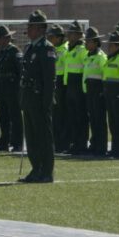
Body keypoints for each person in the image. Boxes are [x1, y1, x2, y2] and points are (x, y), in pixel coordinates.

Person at [20, 10, 57, 183]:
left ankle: (47, 171)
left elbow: (50, 79)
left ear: (41, 29)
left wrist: (46, 101)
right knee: (31, 136)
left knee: (43, 136)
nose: (28, 29)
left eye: (32, 26)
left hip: (40, 97)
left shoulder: (46, 48)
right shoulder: (29, 48)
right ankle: (36, 168)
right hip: (29, 97)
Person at [0, 25, 23, 152]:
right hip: (2, 87)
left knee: (15, 116)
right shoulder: (1, 52)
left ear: (6, 38)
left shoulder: (14, 51)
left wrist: (19, 88)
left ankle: (17, 143)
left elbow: (20, 70)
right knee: (3, 116)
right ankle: (4, 141)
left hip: (12, 88)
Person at [81, 27, 107, 155]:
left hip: (98, 91)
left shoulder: (101, 57)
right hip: (89, 91)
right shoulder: (88, 56)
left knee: (99, 119)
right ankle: (94, 144)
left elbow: (105, 75)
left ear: (96, 42)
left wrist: (103, 91)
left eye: (88, 41)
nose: (86, 43)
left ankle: (101, 147)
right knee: (93, 119)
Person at [63, 21, 88, 154]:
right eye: (69, 33)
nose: (69, 36)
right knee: (71, 116)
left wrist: (83, 88)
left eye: (72, 33)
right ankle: (74, 143)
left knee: (80, 116)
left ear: (79, 35)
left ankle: (81, 144)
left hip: (78, 85)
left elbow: (85, 69)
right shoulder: (69, 49)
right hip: (70, 85)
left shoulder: (82, 50)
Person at [47, 24, 69, 153]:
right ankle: (55, 142)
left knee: (62, 114)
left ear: (59, 37)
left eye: (52, 37)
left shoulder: (64, 49)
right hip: (54, 83)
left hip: (62, 83)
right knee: (54, 114)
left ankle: (63, 143)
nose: (49, 39)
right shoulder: (51, 49)